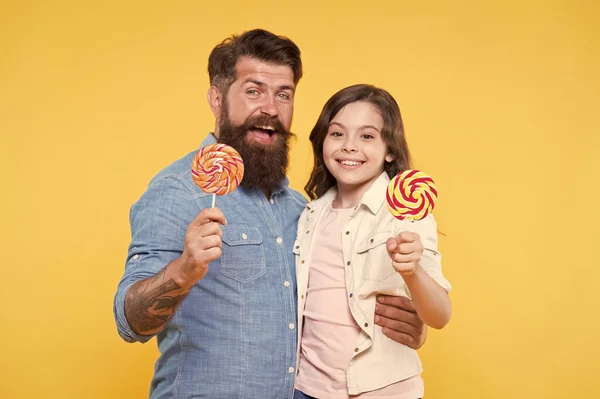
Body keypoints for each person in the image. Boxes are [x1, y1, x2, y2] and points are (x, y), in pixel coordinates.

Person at [113, 29, 428, 399]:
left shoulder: (302, 209)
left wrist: (405, 327)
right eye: (253, 91)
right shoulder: (178, 191)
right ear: (217, 99)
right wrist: (185, 270)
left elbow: (331, 309)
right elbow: (129, 322)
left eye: (284, 94)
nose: (271, 108)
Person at [293, 84, 452, 399]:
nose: (349, 146)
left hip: (381, 390)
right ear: (322, 141)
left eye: (367, 136)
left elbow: (440, 315)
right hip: (306, 388)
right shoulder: (309, 215)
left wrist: (412, 271)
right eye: (337, 134)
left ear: (389, 149)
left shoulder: (405, 215)